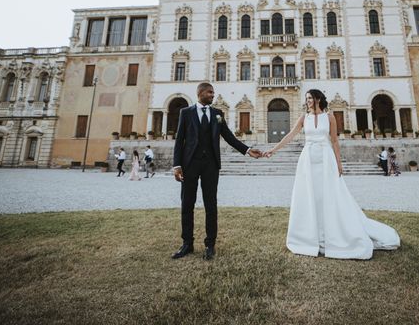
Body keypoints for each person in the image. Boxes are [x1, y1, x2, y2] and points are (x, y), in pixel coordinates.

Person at [264, 89, 400, 260]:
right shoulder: (303, 117)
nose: (308, 101)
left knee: (329, 195)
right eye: (306, 99)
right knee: (310, 195)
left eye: (310, 98)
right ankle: (310, 235)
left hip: (326, 158)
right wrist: (273, 150)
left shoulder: (329, 117)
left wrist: (339, 163)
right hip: (308, 160)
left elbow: (334, 141)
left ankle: (333, 234)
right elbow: (290, 135)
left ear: (318, 99)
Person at [171, 82, 263, 260]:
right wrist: (177, 165)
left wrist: (247, 150)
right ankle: (187, 244)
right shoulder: (186, 113)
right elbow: (179, 140)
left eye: (213, 93)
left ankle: (210, 245)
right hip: (189, 164)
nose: (213, 95)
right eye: (210, 92)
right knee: (187, 205)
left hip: (211, 165)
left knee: (211, 205)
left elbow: (228, 136)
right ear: (200, 93)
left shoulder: (217, 114)